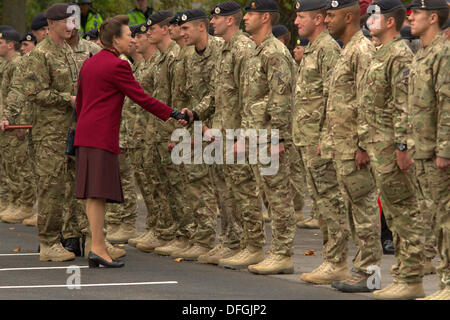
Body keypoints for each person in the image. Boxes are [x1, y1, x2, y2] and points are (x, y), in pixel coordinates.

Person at [73, 14, 191, 268]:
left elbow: (80, 102)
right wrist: (172, 113)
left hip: (86, 133)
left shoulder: (90, 62)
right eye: (128, 36)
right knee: (97, 193)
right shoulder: (119, 65)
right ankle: (97, 248)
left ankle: (99, 246)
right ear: (115, 39)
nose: (132, 39)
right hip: (101, 135)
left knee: (93, 194)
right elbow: (142, 97)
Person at [1, 3, 79, 262]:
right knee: (51, 188)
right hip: (48, 134)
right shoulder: (41, 54)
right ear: (51, 25)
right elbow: (33, 93)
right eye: (66, 22)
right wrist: (66, 98)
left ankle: (69, 236)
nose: (70, 27)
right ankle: (48, 243)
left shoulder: (67, 51)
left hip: (70, 129)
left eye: (72, 22)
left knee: (71, 188)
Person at [361, 0, 426, 299]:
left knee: (403, 214)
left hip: (391, 145)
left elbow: (404, 106)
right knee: (395, 216)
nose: (368, 20)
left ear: (390, 22)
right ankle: (403, 275)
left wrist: (402, 146)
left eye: (374, 16)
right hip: (378, 144)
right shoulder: (380, 53)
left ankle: (411, 278)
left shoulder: (398, 54)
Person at [321, 0, 383, 291]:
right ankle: (359, 268)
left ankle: (370, 273)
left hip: (354, 147)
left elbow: (366, 100)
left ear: (349, 16)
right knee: (353, 210)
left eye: (331, 15)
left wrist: (362, 145)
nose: (326, 20)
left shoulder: (362, 49)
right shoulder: (347, 50)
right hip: (341, 146)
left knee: (365, 211)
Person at [292, 0, 350, 286]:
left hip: (320, 140)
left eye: (301, 16)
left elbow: (333, 97)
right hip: (308, 138)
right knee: (321, 201)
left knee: (331, 202)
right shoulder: (313, 48)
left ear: (317, 19)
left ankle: (337, 262)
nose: (296, 22)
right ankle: (331, 259)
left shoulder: (327, 48)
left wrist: (326, 137)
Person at [194, 1, 253, 265]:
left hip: (236, 133)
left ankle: (251, 244)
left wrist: (243, 136)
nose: (212, 22)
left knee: (243, 191)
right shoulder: (225, 50)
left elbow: (247, 96)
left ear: (229, 20)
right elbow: (218, 93)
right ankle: (231, 240)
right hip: (220, 131)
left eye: (216, 19)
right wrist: (197, 114)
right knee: (224, 191)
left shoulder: (243, 48)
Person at [407, 0, 449, 300]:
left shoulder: (443, 54)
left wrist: (445, 149)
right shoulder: (421, 53)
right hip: (420, 149)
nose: (411, 17)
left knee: (445, 219)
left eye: (417, 13)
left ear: (433, 17)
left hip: (437, 152)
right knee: (431, 218)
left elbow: (447, 104)